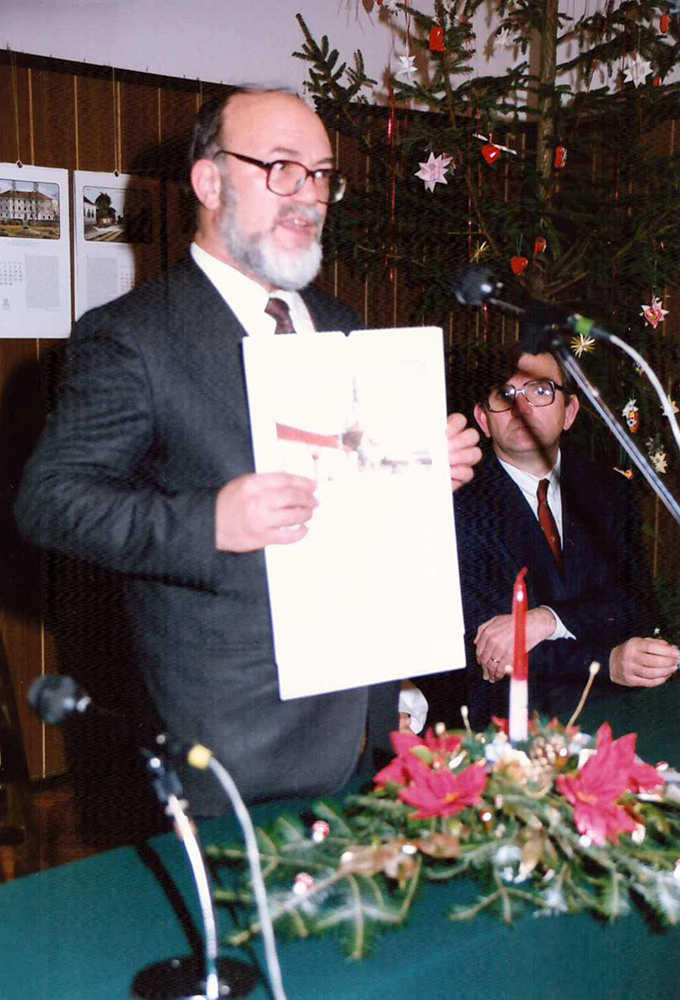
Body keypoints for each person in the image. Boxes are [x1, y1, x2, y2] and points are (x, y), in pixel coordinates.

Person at [15, 88, 481, 816]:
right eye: (282, 168)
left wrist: (418, 472)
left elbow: (352, 493)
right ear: (209, 182)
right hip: (232, 741)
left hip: (366, 718)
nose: (310, 196)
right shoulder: (132, 336)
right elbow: (51, 501)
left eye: (322, 175)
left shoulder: (342, 324)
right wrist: (210, 523)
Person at [426, 346, 678, 731]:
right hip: (505, 726)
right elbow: (488, 651)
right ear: (483, 419)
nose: (521, 407)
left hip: (613, 711)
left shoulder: (610, 490)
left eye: (540, 390)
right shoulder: (454, 501)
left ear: (569, 412)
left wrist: (548, 619)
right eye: (505, 395)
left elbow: (635, 605)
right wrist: (607, 660)